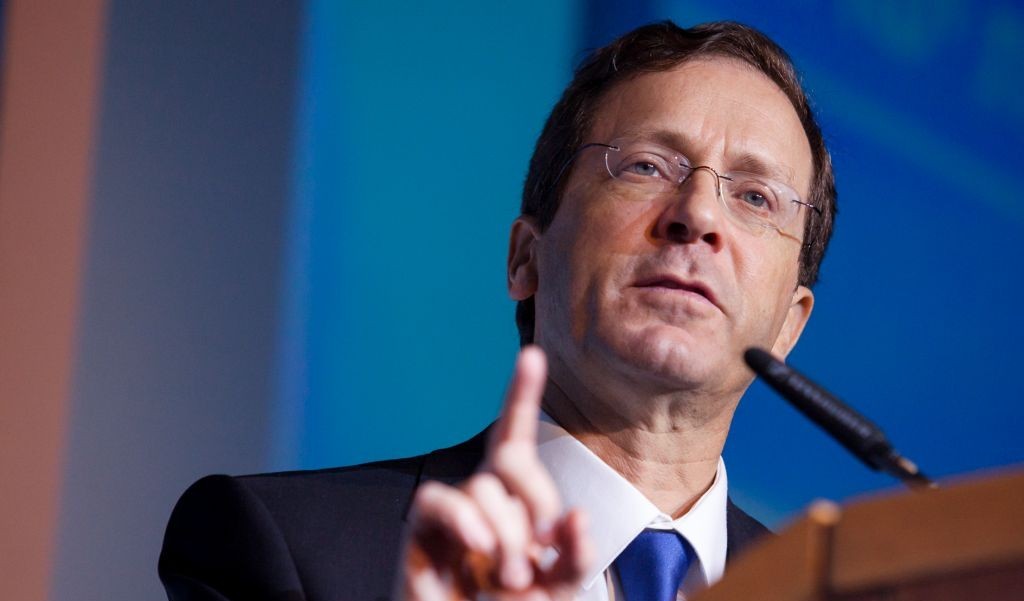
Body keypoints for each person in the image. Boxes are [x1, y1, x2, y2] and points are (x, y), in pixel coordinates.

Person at [159, 20, 836, 601]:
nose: (698, 215)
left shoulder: (838, 590)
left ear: (790, 325)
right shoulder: (276, 545)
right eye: (647, 166)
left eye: (756, 197)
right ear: (525, 259)